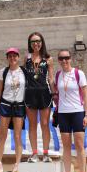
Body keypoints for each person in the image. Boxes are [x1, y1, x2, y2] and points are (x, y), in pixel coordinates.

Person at [53, 49, 87, 172]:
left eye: (66, 58)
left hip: (77, 112)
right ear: (58, 60)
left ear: (70, 59)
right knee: (66, 146)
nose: (64, 61)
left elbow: (86, 96)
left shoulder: (78, 73)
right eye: (61, 58)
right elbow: (55, 93)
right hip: (63, 113)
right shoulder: (58, 75)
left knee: (80, 145)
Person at [0, 47, 27, 172]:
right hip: (6, 104)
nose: (12, 58)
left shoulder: (23, 71)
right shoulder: (4, 71)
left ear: (18, 57)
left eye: (15, 56)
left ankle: (17, 163)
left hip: (19, 105)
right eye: (10, 56)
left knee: (17, 136)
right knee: (3, 134)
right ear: (7, 58)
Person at [24, 32, 54, 163]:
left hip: (44, 93)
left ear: (42, 43)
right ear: (30, 44)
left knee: (45, 124)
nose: (36, 44)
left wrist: (55, 94)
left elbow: (51, 78)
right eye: (33, 41)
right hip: (30, 94)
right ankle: (35, 153)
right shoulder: (27, 58)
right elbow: (24, 77)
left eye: (38, 41)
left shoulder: (48, 59)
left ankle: (46, 153)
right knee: (32, 125)